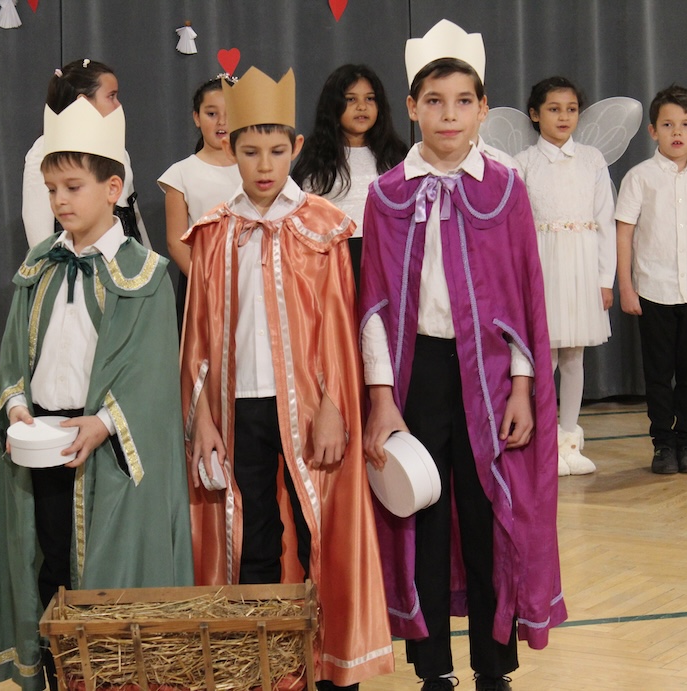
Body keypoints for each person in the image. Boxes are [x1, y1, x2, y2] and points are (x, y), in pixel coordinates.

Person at [360, 19, 567, 691]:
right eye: (433, 101)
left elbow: (525, 295)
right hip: (416, 374)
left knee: (487, 518)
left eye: (462, 101)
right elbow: (373, 305)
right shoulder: (386, 195)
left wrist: (521, 385)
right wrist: (382, 397)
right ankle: (433, 669)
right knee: (421, 515)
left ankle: (492, 666)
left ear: (482, 108)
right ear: (412, 106)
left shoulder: (505, 189)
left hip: (489, 377)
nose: (448, 115)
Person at [180, 66, 394, 691]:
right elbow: (198, 335)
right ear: (231, 150)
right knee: (253, 538)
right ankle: (263, 668)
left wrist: (332, 407)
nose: (264, 165)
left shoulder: (323, 227)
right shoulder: (216, 232)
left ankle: (329, 665)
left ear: (296, 147)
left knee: (316, 530)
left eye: (276, 151)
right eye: (250, 151)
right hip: (240, 408)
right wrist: (203, 418)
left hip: (306, 408)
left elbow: (338, 326)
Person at [0, 86, 193, 691]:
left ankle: (105, 677)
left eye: (72, 187)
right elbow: (14, 354)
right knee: (47, 567)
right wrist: (17, 405)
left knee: (99, 575)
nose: (59, 201)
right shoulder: (38, 265)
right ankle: (52, 673)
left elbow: (151, 374)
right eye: (51, 189)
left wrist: (103, 423)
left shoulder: (145, 275)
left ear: (113, 188)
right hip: (43, 442)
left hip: (107, 451)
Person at [615, 84, 687, 475]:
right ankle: (662, 444)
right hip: (654, 290)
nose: (676, 132)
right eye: (667, 124)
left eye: (685, 124)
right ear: (653, 131)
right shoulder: (639, 177)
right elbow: (624, 234)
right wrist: (626, 287)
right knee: (658, 373)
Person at [515, 76, 616, 476]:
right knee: (545, 357)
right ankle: (543, 443)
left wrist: (604, 279)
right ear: (535, 114)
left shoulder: (592, 159)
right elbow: (516, 225)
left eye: (571, 109)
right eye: (554, 109)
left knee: (575, 355)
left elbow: (605, 220)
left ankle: (569, 440)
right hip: (542, 266)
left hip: (581, 267)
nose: (563, 117)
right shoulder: (523, 162)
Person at [292, 63, 408, 281]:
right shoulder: (318, 158)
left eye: (370, 99)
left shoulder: (395, 156)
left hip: (385, 258)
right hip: (332, 261)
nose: (362, 107)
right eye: (351, 99)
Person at [22, 58, 150, 249]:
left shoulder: (116, 148)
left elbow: (132, 211)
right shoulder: (45, 150)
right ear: (83, 101)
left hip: (124, 255)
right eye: (111, 96)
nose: (118, 105)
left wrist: (147, 256)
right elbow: (38, 227)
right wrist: (50, 264)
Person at [157, 74, 242, 320]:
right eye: (211, 114)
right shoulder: (180, 173)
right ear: (197, 117)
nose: (221, 122)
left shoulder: (254, 169)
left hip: (252, 277)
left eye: (230, 113)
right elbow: (176, 242)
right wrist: (207, 283)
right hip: (201, 280)